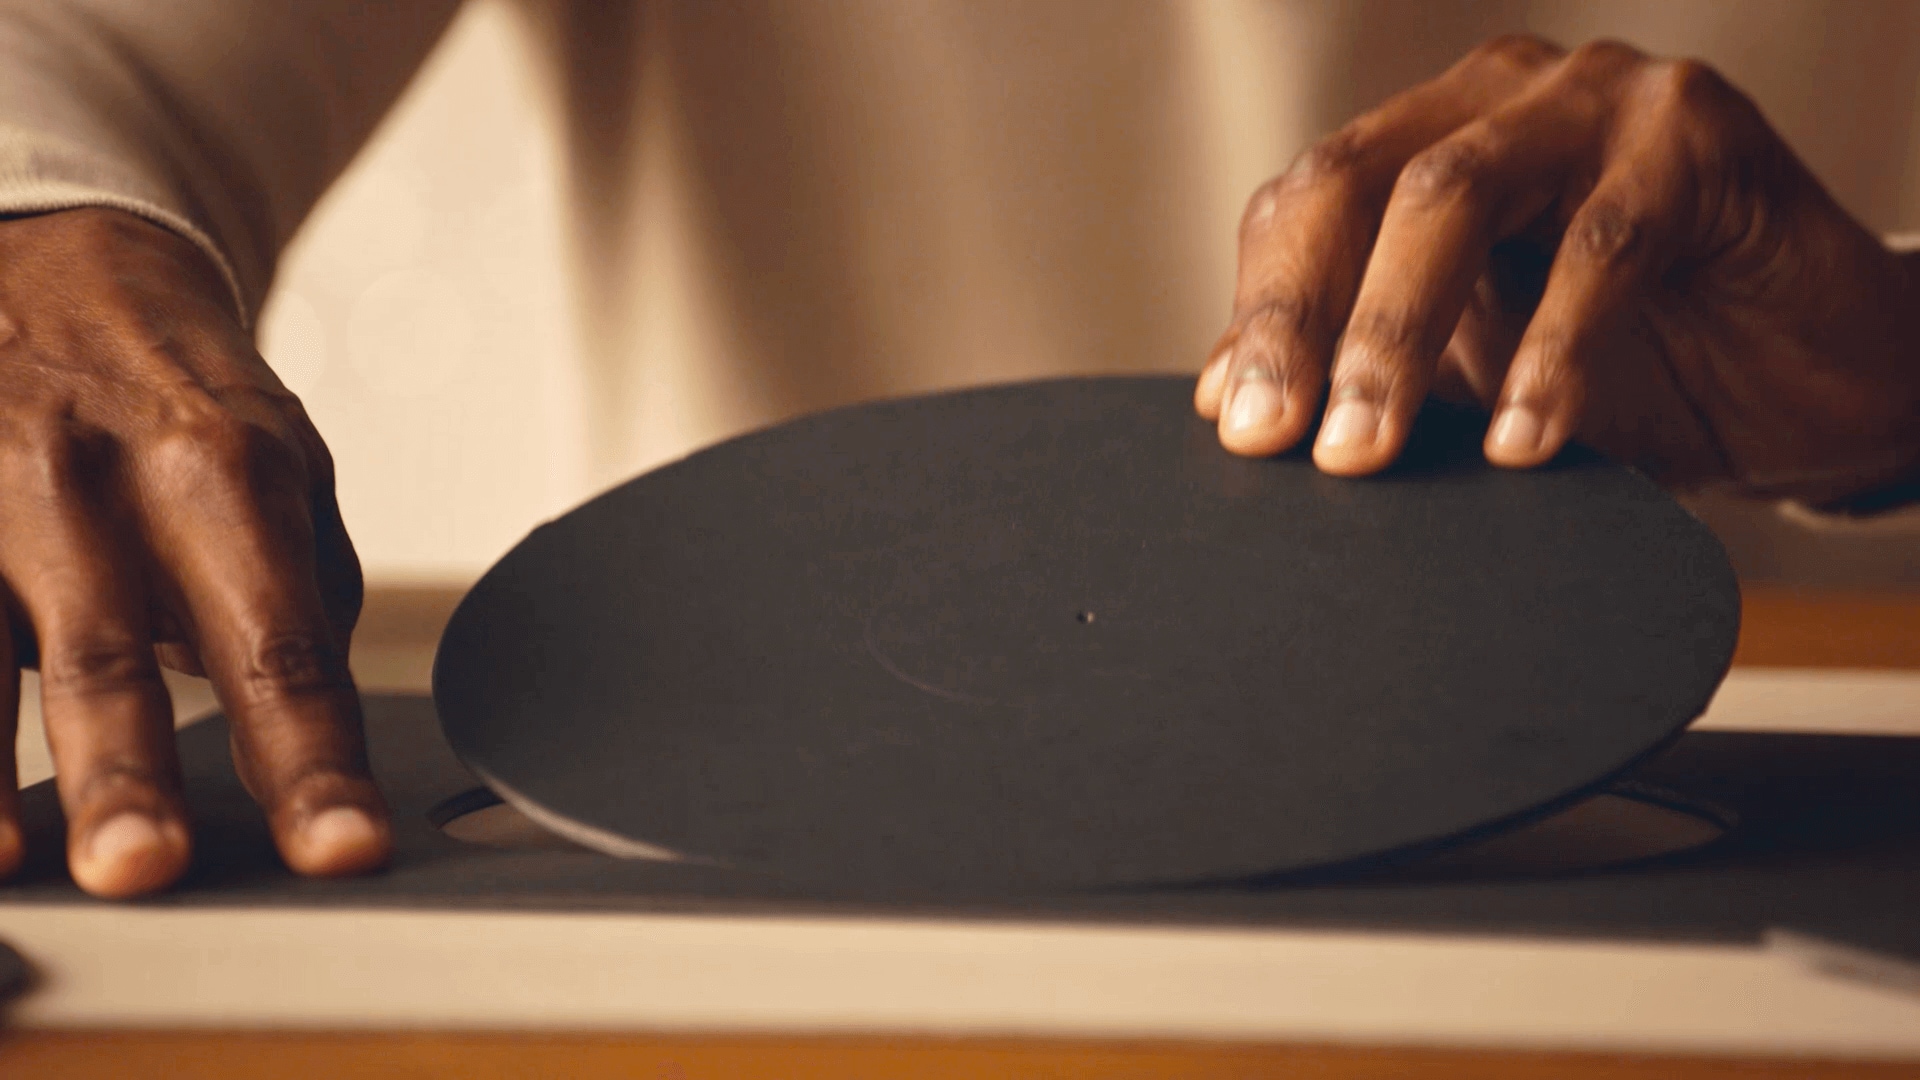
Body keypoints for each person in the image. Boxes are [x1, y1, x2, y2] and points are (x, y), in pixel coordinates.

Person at [0, 2, 1913, 899]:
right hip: (738, 881)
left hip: (1705, 811)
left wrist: (1896, 371)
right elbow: (96, 40)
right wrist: (51, 238)